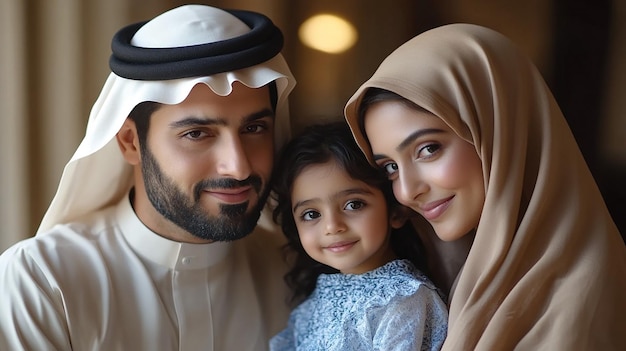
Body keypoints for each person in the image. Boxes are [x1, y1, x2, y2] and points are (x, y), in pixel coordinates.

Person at [0, 5, 296, 350]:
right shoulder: (43, 281)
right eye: (197, 134)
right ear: (130, 143)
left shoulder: (293, 270)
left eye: (255, 128)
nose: (239, 166)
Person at [343, 23, 626, 350]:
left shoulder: (581, 297)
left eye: (429, 149)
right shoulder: (450, 279)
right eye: (390, 167)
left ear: (499, 134)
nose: (406, 192)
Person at [268, 121, 448, 350]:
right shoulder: (312, 306)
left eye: (354, 204)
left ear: (396, 211)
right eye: (312, 214)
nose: (332, 226)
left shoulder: (404, 300)